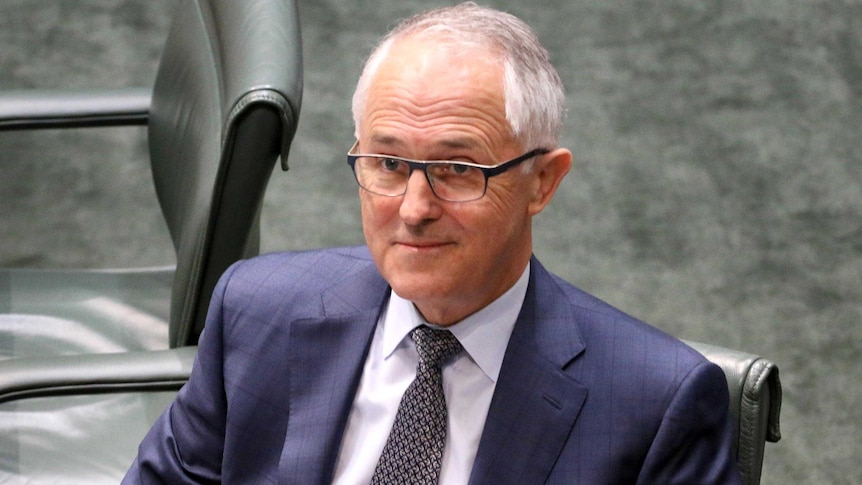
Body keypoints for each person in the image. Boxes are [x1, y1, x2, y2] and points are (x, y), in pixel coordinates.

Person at [124, 3, 740, 484]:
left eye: (457, 170)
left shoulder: (656, 405)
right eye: (389, 163)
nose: (414, 210)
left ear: (542, 182)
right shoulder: (254, 311)